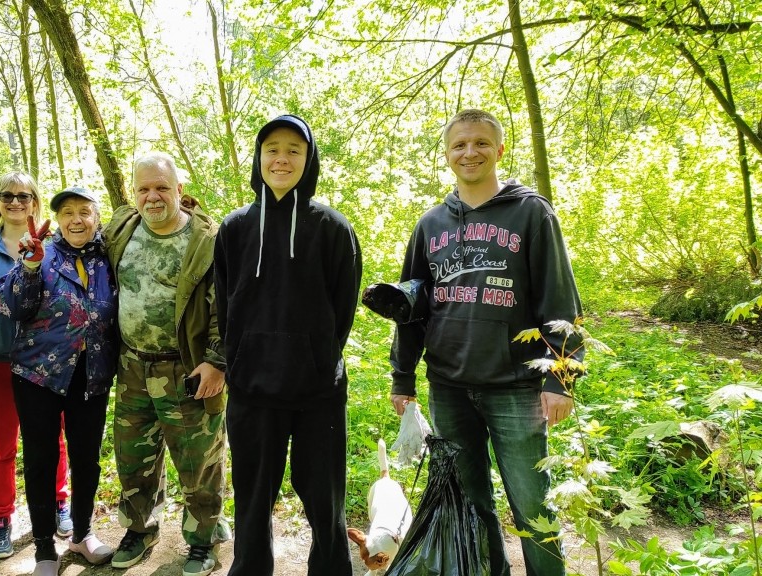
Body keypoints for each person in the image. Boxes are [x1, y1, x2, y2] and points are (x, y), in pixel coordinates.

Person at [388, 108, 584, 576]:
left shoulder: (531, 213)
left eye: (480, 143)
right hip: (449, 387)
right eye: (459, 145)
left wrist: (561, 377)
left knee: (533, 508)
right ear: (447, 154)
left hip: (516, 385)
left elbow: (560, 297)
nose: (469, 152)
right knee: (470, 505)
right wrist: (402, 376)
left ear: (499, 150)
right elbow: (411, 306)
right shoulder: (430, 224)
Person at [214, 114, 362, 576]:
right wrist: (240, 359)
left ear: (309, 159)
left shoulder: (333, 229)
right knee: (253, 498)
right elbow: (224, 304)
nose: (282, 158)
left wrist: (316, 356)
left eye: (294, 150)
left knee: (324, 496)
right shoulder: (235, 228)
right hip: (253, 389)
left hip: (317, 390)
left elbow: (343, 309)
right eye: (272, 149)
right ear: (258, 159)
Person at [102, 152, 229, 576]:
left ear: (179, 189)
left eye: (161, 187)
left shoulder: (207, 240)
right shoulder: (121, 228)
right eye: (143, 188)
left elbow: (228, 309)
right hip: (132, 368)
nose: (152, 196)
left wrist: (217, 362)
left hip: (188, 370)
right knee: (133, 459)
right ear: (133, 193)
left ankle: (202, 539)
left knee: (199, 463)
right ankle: (140, 530)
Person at [0, 186, 119, 575]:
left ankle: (82, 534)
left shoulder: (110, 256)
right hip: (37, 375)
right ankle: (45, 548)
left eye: (84, 211)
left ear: (97, 217)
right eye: (67, 213)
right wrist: (29, 267)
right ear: (58, 220)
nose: (76, 220)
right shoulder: (42, 252)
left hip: (92, 374)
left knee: (86, 458)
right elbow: (12, 306)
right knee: (40, 460)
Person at [0, 173, 73, 560]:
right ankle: (1, 518)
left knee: (54, 438)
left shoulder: (54, 245)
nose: (16, 202)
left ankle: (59, 502)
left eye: (24, 196)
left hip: (45, 361)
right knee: (2, 445)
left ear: (35, 201)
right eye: (7, 196)